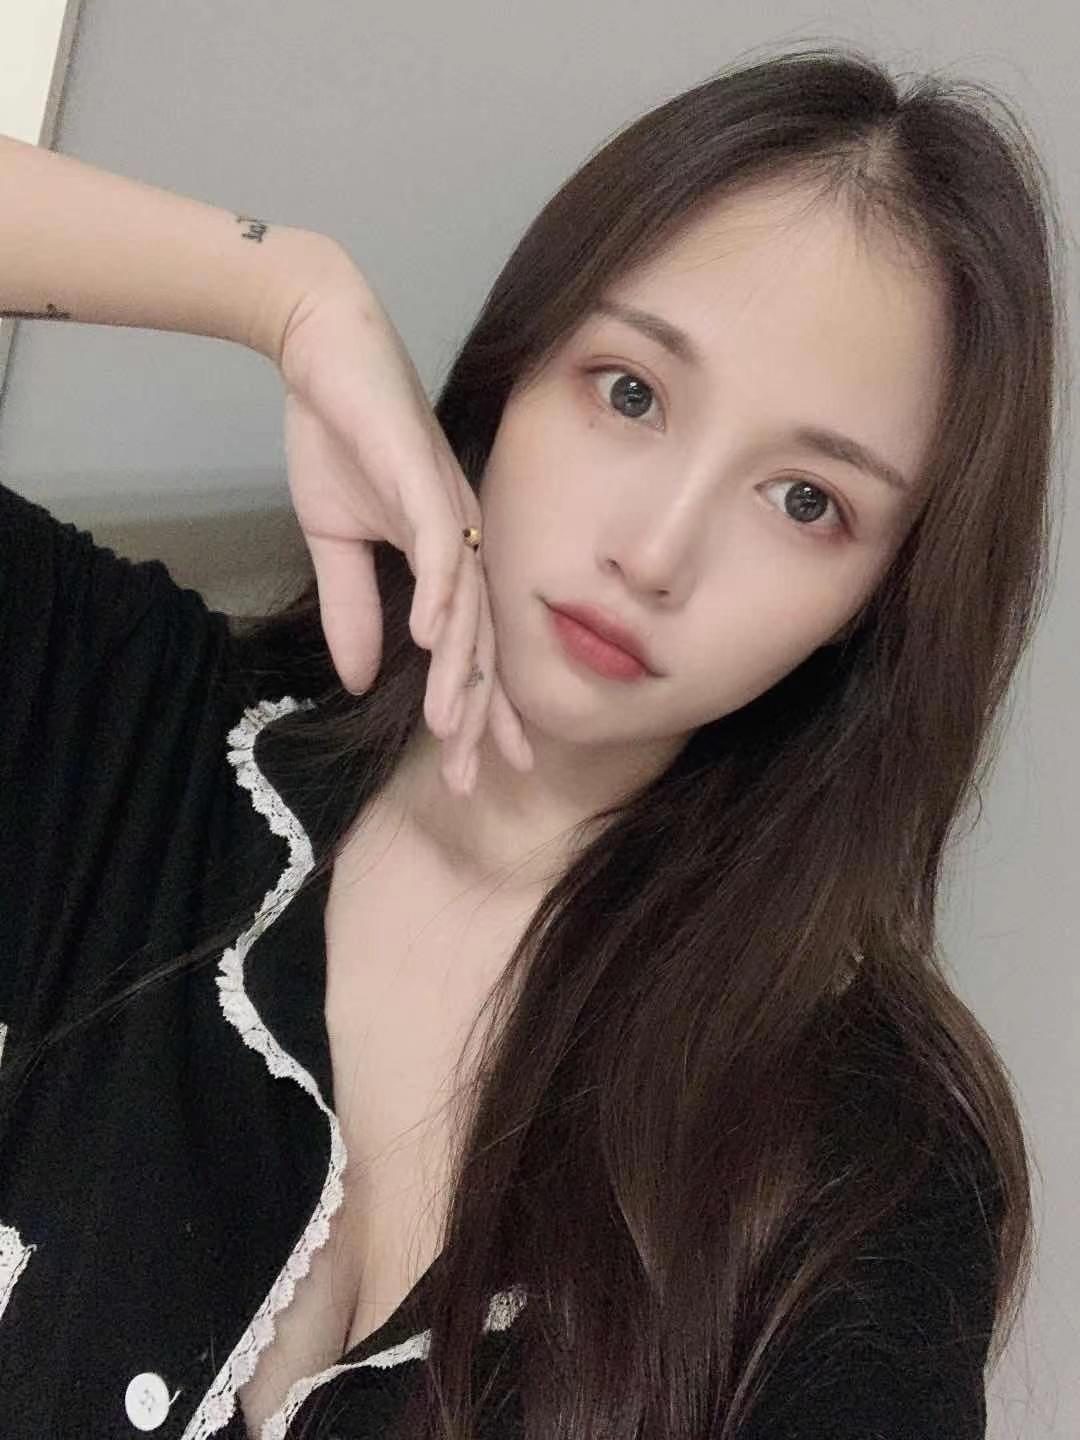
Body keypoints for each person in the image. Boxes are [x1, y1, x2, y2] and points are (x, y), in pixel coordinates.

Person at [0, 42, 1059, 1440]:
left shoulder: (867, 1167)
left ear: (877, 603)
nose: (656, 551)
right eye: (631, 391)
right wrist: (284, 293)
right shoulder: (122, 724)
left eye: (806, 500)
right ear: (513, 376)